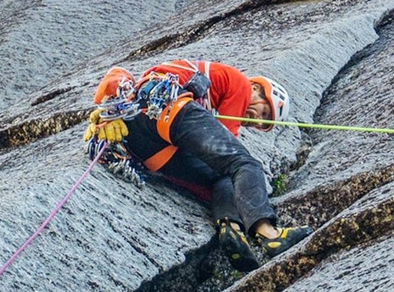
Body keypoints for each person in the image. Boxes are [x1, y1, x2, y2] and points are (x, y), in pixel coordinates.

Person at [84, 59, 314, 271]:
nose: (257, 119)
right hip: (168, 105)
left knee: (221, 179)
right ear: (256, 89)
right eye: (264, 112)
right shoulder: (241, 84)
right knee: (245, 164)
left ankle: (230, 227)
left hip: (146, 144)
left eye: (262, 123)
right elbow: (228, 141)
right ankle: (269, 234)